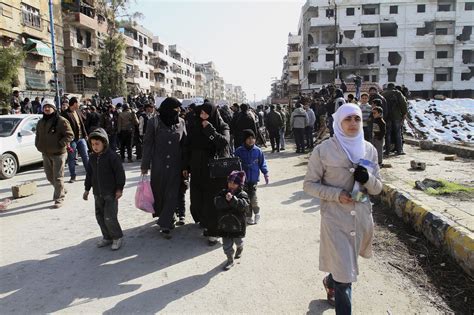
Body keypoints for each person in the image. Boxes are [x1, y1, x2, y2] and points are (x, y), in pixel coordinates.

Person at [303, 103, 382, 314]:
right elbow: (309, 185)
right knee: (345, 275)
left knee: (343, 267)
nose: (353, 123)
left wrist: (368, 179)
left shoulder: (369, 150)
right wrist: (337, 195)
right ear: (339, 122)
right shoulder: (323, 150)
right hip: (335, 220)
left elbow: (378, 188)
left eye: (357, 119)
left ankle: (330, 281)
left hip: (361, 219)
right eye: (348, 119)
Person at [185, 101, 231, 245]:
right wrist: (185, 166)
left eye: (206, 113)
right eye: (201, 113)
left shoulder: (222, 126)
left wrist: (210, 131)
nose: (203, 116)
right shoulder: (195, 126)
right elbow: (187, 147)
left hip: (214, 170)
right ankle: (204, 222)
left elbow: (224, 143)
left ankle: (213, 231)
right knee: (198, 199)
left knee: (212, 200)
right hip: (197, 168)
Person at [141, 97, 186, 239]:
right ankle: (167, 216)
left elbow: (184, 144)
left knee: (172, 193)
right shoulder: (154, 122)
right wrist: (145, 165)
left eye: (179, 109)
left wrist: (186, 166)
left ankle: (165, 223)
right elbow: (147, 144)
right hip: (159, 164)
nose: (178, 111)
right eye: (175, 109)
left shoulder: (181, 122)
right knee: (160, 193)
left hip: (175, 165)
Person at [83, 128, 126, 251]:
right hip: (97, 193)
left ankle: (117, 237)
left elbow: (120, 174)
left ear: (104, 143)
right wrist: (87, 189)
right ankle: (107, 237)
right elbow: (89, 174)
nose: (95, 147)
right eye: (92, 144)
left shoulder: (112, 157)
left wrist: (119, 189)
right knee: (100, 216)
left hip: (111, 193)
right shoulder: (91, 158)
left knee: (109, 216)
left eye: (97, 144)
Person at [35, 99, 74, 208]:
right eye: (45, 107)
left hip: (58, 154)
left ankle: (59, 198)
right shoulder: (41, 122)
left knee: (57, 177)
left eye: (49, 106)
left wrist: (60, 144)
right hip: (46, 153)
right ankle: (62, 189)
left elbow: (70, 135)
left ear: (54, 108)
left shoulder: (61, 120)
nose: (47, 109)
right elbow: (37, 135)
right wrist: (38, 144)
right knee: (49, 177)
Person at [214, 170, 250, 271]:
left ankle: (240, 247)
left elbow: (244, 206)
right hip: (224, 224)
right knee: (226, 245)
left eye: (234, 183)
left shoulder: (243, 194)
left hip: (237, 225)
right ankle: (230, 260)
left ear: (239, 184)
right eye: (230, 182)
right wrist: (225, 200)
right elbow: (216, 202)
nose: (231, 185)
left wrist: (234, 200)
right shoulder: (223, 192)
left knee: (238, 241)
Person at [234, 129, 269, 225]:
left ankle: (257, 213)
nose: (251, 140)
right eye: (248, 138)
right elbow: (234, 164)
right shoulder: (239, 151)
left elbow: (262, 163)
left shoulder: (258, 151)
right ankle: (249, 216)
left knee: (253, 198)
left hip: (253, 179)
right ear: (244, 140)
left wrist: (265, 173)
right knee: (245, 198)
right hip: (243, 180)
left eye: (252, 138)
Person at [62, 97, 89, 183]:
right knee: (72, 158)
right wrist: (67, 141)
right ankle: (73, 176)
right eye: (78, 103)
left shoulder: (78, 111)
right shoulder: (65, 114)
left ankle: (90, 173)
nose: (79, 104)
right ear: (74, 103)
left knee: (85, 156)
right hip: (71, 140)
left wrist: (85, 135)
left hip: (81, 138)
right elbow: (63, 128)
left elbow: (82, 124)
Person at [381, 83, 407, 156]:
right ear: (394, 87)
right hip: (396, 116)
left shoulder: (383, 94)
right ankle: (399, 150)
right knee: (398, 133)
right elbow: (403, 103)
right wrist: (404, 113)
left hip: (387, 117)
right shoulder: (397, 93)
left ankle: (387, 151)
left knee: (387, 134)